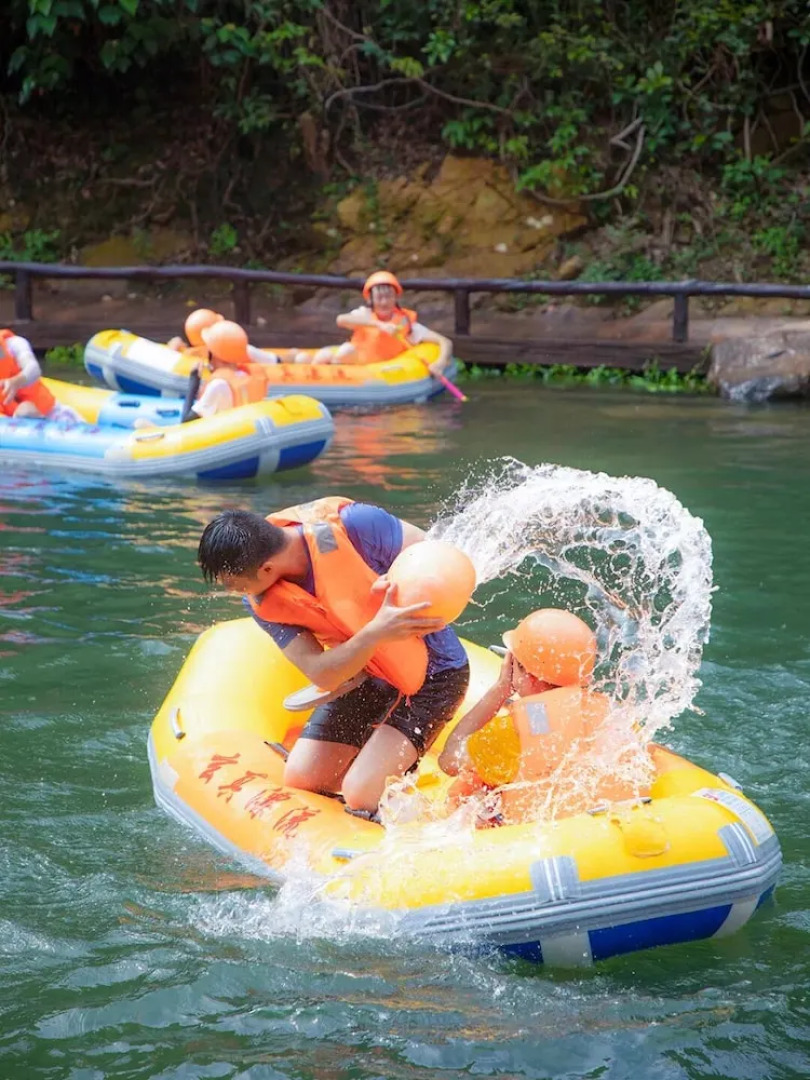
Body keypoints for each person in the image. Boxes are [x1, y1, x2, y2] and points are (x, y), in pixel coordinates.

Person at [197, 497, 471, 813]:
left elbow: (435, 556)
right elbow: (321, 672)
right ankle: (374, 761)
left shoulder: (355, 525)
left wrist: (404, 586)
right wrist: (375, 632)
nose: (238, 593)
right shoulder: (264, 603)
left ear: (267, 568)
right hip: (367, 674)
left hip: (434, 676)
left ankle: (404, 800)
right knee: (303, 778)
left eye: (235, 586)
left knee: (361, 795)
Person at [438, 608, 603, 821]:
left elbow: (449, 760)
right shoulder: (605, 714)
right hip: (590, 831)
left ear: (527, 674)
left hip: (525, 840)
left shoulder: (515, 733)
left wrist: (500, 689)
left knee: (475, 801)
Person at [305, 271, 453, 374]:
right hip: (351, 361)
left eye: (388, 297)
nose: (384, 302)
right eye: (379, 297)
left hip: (377, 371)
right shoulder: (364, 315)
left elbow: (445, 341)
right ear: (371, 300)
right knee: (327, 354)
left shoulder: (406, 323)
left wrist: (440, 363)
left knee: (345, 351)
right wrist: (378, 324)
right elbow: (341, 320)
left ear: (395, 298)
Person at [180, 320, 274, 423]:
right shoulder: (247, 375)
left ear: (215, 354)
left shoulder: (218, 385)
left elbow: (185, 422)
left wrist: (194, 382)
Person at [0, 329, 81, 423]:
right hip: (9, 427)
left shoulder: (13, 344)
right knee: (24, 410)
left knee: (26, 410)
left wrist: (17, 381)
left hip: (51, 415)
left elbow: (33, 369)